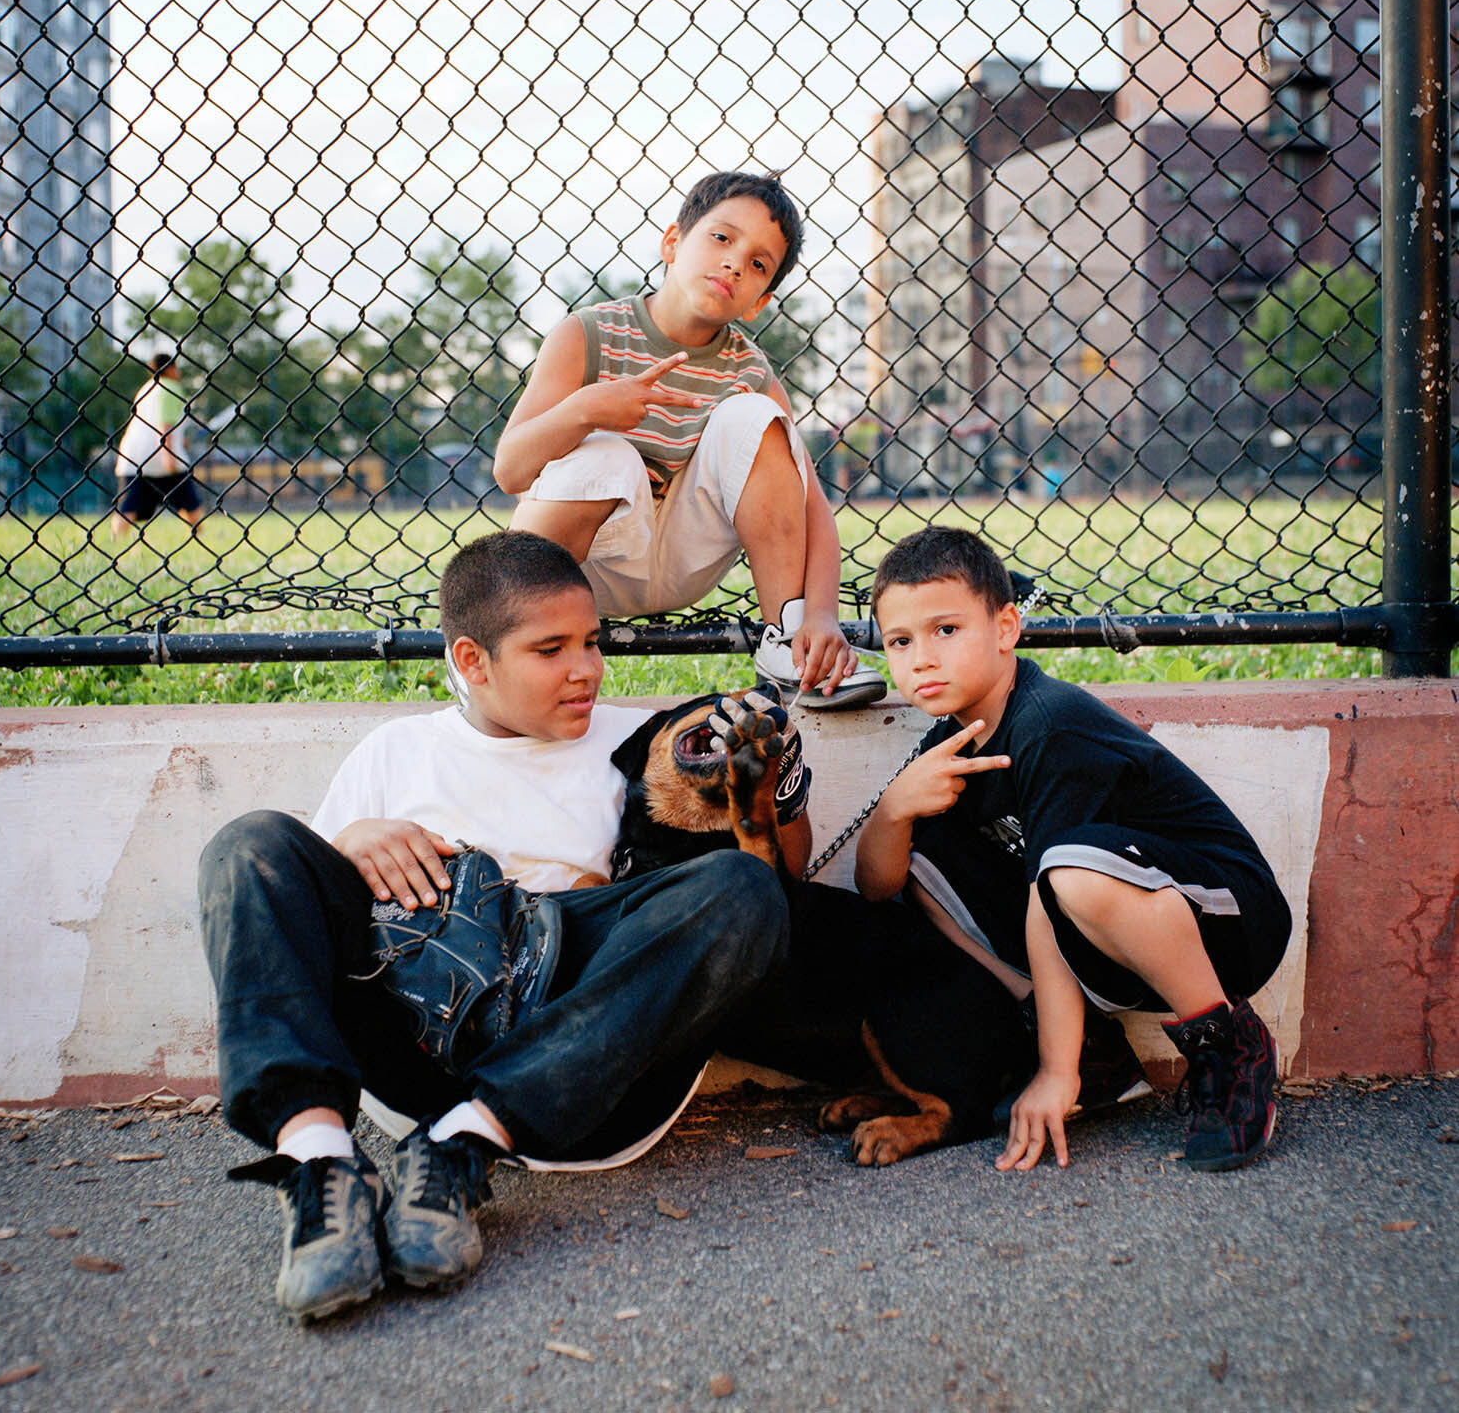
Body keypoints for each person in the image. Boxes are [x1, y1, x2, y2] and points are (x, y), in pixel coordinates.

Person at [197, 531, 793, 1323]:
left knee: (743, 886)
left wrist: (764, 782)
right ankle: (321, 1164)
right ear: (473, 660)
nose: (586, 668)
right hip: (417, 1042)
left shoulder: (638, 740)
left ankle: (462, 1148)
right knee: (250, 847)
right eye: (551, 649)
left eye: (592, 642)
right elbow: (297, 927)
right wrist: (348, 844)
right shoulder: (398, 749)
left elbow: (765, 902)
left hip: (586, 1062)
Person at [854, 526, 1292, 1174]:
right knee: (927, 863)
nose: (921, 657)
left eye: (946, 630)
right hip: (1114, 930)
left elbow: (1048, 893)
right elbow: (881, 884)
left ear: (1005, 628)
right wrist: (893, 807)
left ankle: (1229, 1046)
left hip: (1228, 918)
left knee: (1066, 871)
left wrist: (1053, 1073)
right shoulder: (954, 742)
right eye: (900, 640)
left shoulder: (1047, 724)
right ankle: (1100, 1059)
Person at [493, 170, 886, 710]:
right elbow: (511, 471)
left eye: (757, 264)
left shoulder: (750, 370)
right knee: (609, 454)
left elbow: (811, 507)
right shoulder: (587, 334)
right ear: (673, 243)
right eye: (722, 238)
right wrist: (587, 410)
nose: (733, 263)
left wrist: (820, 613)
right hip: (585, 562)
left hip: (681, 558)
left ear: (757, 302)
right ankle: (515, 647)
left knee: (754, 416)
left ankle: (790, 645)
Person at [111, 352, 203, 538]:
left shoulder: (146, 388)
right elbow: (165, 425)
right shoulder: (171, 387)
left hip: (133, 456)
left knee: (128, 507)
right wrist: (169, 455)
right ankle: (197, 536)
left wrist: (179, 440)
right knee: (191, 503)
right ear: (169, 369)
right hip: (160, 455)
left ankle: (116, 541)